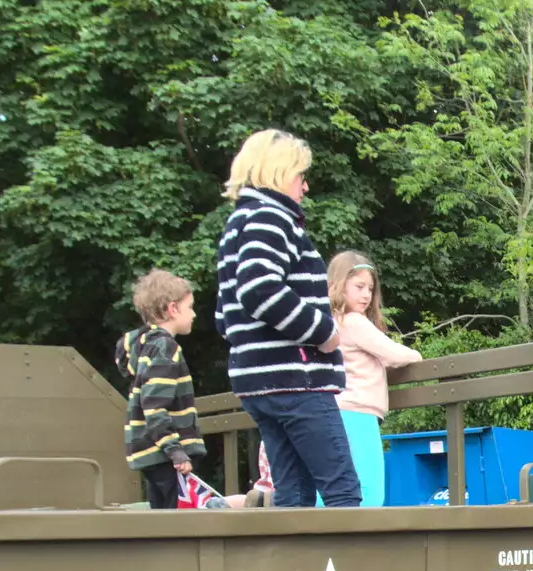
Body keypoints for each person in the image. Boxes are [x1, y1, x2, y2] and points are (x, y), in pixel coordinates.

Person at [213, 128, 360, 508]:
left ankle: (298, 569)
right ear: (278, 173)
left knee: (292, 495)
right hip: (297, 379)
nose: (305, 187)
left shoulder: (237, 225)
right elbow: (259, 288)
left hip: (258, 383)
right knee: (342, 490)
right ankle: (356, 568)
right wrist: (324, 332)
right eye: (300, 175)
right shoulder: (271, 218)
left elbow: (224, 315)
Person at [328, 250, 422, 507]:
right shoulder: (354, 322)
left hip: (334, 412)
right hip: (358, 413)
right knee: (370, 487)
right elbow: (394, 354)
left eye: (369, 288)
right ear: (338, 285)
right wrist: (416, 354)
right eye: (358, 286)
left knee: (333, 486)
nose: (366, 295)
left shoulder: (330, 323)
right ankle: (364, 544)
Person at [114, 269, 206, 509]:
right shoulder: (165, 348)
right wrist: (175, 450)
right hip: (166, 454)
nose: (194, 314)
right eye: (190, 307)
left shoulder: (146, 347)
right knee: (178, 519)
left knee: (161, 518)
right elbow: (154, 406)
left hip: (150, 453)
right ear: (172, 309)